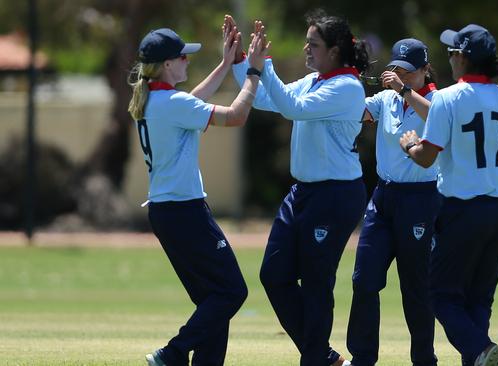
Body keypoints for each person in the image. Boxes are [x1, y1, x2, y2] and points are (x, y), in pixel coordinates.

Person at [224, 9, 369, 366]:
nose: (307, 50)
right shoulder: (315, 79)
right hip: (303, 193)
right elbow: (267, 99)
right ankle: (321, 355)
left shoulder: (347, 87)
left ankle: (315, 359)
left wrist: (264, 65)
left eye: (313, 45)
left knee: (317, 281)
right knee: (273, 275)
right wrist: (240, 61)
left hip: (335, 195)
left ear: (335, 51)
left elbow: (293, 109)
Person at [127, 23, 268, 366]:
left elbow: (190, 102)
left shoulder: (154, 100)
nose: (188, 62)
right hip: (184, 212)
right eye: (182, 57)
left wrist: (224, 65)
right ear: (166, 65)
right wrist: (253, 72)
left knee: (213, 298)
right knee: (232, 292)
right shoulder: (170, 103)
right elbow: (235, 117)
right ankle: (173, 352)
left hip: (168, 211)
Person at [399, 24, 498, 366]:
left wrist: (409, 146)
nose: (449, 59)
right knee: (480, 298)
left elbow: (427, 157)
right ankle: (477, 357)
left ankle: (479, 349)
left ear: (462, 58)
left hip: (461, 209)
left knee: (441, 295)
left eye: (451, 53)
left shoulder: (446, 98)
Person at [346, 39, 442, 366]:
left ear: (425, 70)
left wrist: (405, 91)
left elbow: (440, 118)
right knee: (364, 280)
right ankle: (362, 358)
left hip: (421, 199)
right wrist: (346, 79)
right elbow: (356, 112)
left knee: (416, 287)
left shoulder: (437, 99)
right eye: (396, 69)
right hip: (383, 197)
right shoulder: (386, 98)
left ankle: (424, 359)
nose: (399, 75)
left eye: (408, 71)